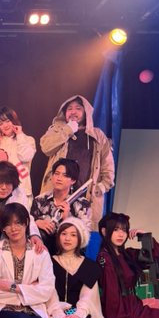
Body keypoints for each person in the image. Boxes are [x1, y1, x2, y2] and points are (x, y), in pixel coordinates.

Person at [40, 95, 115, 230]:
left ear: (86, 112)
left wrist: (100, 188)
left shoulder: (98, 135)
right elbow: (46, 148)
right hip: (57, 195)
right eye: (69, 109)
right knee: (52, 231)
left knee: (83, 235)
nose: (73, 112)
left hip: (86, 199)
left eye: (78, 108)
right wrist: (68, 130)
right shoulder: (57, 130)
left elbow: (108, 168)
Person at [31, 158, 91, 255]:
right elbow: (27, 226)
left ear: (73, 180)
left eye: (65, 175)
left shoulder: (82, 203)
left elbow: (84, 237)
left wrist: (66, 219)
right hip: (42, 252)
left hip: (68, 253)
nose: (59, 178)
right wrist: (36, 223)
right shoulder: (40, 200)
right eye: (56, 173)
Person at [0, 106, 36, 203]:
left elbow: (26, 157)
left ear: (14, 120)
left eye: (7, 121)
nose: (5, 125)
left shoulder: (28, 140)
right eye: (1, 123)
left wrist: (20, 135)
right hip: (1, 193)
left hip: (22, 191)